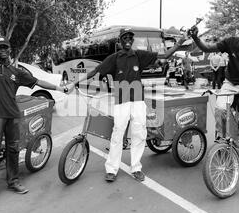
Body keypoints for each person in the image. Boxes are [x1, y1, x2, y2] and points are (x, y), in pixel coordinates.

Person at [67, 28, 187, 183]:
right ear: (120, 41)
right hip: (121, 102)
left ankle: (136, 168)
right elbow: (96, 71)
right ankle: (111, 169)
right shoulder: (114, 58)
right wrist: (75, 83)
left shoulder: (139, 55)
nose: (128, 40)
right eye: (125, 38)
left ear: (133, 40)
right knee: (117, 134)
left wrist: (181, 42)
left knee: (139, 134)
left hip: (138, 101)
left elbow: (165, 55)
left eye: (130, 38)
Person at [0, 28, 71, 205]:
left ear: (9, 50)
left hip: (13, 116)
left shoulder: (16, 73)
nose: (2, 50)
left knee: (13, 149)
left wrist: (59, 88)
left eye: (5, 47)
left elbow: (38, 81)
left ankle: (13, 181)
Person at [188, 15, 239, 178]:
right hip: (230, 83)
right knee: (220, 109)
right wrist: (196, 37)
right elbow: (207, 48)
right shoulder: (231, 42)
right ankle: (228, 139)